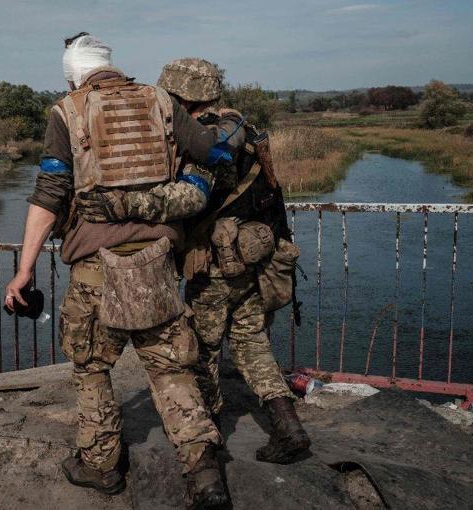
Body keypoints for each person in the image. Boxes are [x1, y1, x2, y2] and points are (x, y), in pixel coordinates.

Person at [5, 35, 242, 508]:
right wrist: (232, 129)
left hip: (97, 268)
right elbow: (213, 153)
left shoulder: (66, 111)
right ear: (111, 66)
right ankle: (204, 472)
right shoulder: (159, 100)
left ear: (74, 72)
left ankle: (100, 465)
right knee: (171, 367)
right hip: (156, 262)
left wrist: (23, 270)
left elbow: (50, 195)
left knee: (92, 367)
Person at [76, 58, 312, 465]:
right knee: (252, 341)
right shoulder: (244, 130)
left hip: (215, 264)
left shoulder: (206, 140)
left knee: (198, 350)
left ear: (183, 97)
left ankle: (207, 439)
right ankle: (289, 426)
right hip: (254, 259)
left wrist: (122, 205)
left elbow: (192, 198)